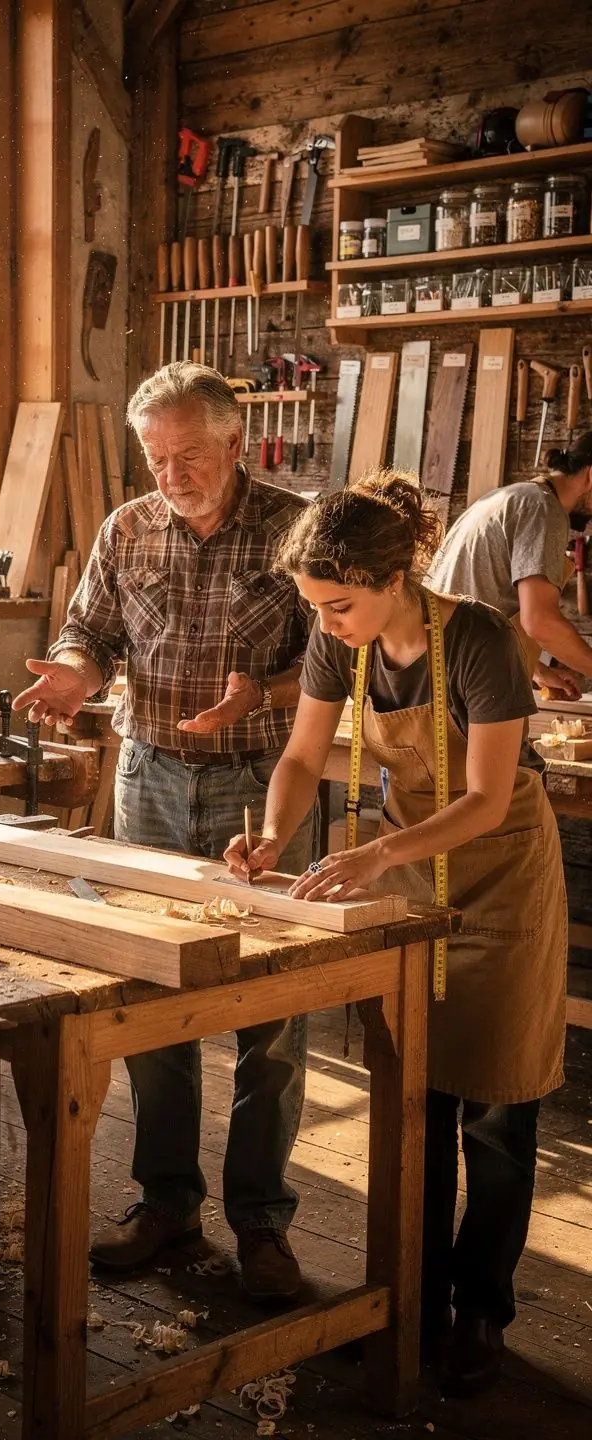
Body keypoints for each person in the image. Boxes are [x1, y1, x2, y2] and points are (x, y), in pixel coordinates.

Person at [225, 471, 567, 1389]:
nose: (327, 624)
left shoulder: (483, 640)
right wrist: (267, 835)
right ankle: (406, 1299)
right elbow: (302, 756)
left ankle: (481, 1312)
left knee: (495, 1113)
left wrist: (374, 856)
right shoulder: (345, 645)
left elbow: (490, 798)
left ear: (391, 578)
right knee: (415, 1103)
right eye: (317, 608)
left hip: (502, 880)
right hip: (412, 877)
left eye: (338, 606)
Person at [13, 362, 318, 1301]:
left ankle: (262, 1221)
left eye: (190, 454)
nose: (171, 474)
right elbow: (88, 632)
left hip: (263, 781)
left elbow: (335, 660)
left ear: (236, 443)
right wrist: (70, 673)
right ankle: (167, 1201)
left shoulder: (296, 528)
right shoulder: (127, 528)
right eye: (156, 456)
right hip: (146, 778)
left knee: (272, 1008)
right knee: (149, 995)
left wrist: (258, 695)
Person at [427, 434, 592, 697]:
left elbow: (481, 601)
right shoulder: (544, 510)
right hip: (460, 684)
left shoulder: (507, 498)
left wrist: (537, 670)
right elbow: (540, 622)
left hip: (439, 668)